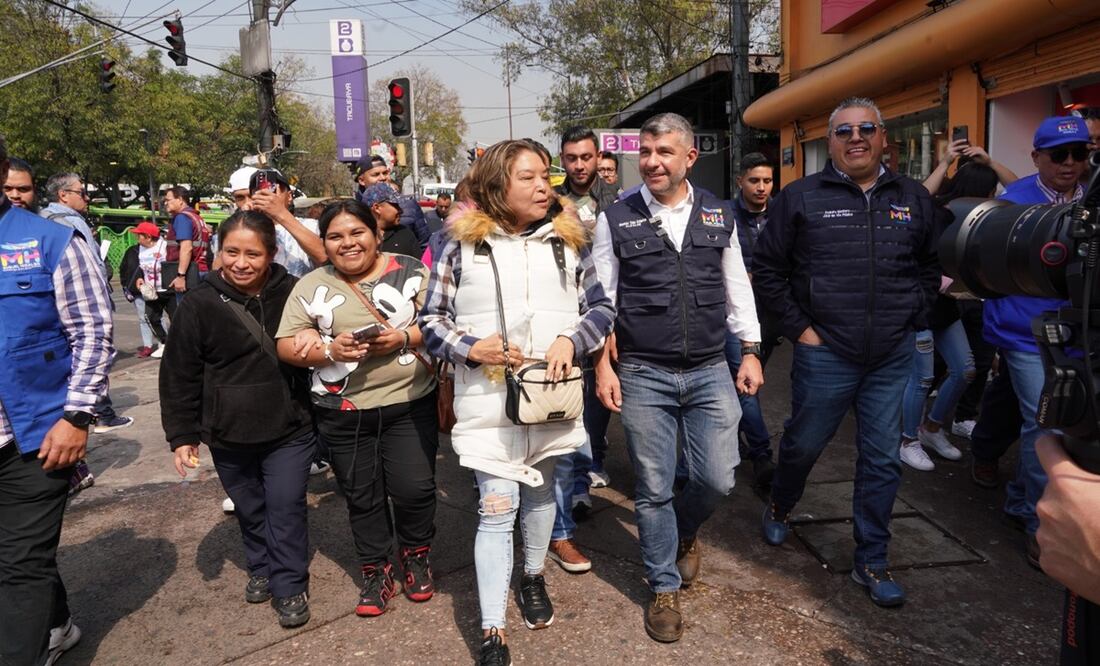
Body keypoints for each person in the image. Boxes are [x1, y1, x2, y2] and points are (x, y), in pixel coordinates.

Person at [420, 139, 615, 666]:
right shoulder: (457, 245)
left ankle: (531, 575)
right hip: (487, 404)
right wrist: (471, 347)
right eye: (527, 176)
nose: (542, 185)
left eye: (544, 175)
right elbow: (430, 321)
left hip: (551, 399)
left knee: (544, 492)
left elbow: (601, 308)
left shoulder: (571, 242)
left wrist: (572, 340)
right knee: (496, 506)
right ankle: (491, 630)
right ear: (495, 185)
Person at [753, 97, 939, 608]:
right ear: (830, 142)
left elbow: (930, 264)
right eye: (843, 131)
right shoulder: (801, 197)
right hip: (825, 352)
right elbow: (768, 271)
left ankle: (872, 560)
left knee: (881, 460)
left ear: (883, 138)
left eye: (865, 129)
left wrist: (915, 316)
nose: (855, 138)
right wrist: (801, 332)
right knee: (804, 445)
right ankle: (781, 504)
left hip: (890, 356)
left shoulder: (914, 198)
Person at [593, 113, 763, 642]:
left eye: (665, 152)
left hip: (712, 367)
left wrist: (751, 351)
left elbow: (738, 287)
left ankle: (684, 531)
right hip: (644, 371)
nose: (652, 161)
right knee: (653, 486)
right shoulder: (616, 217)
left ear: (689, 157)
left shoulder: (718, 214)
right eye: (645, 152)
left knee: (718, 477)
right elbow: (601, 298)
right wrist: (603, 363)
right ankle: (662, 585)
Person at [276, 199, 439, 619]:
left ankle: (416, 554)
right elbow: (286, 345)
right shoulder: (310, 285)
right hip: (342, 410)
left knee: (415, 488)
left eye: (356, 233)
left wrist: (402, 339)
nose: (347, 243)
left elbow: (443, 322)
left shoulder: (412, 270)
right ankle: (376, 569)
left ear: (376, 233)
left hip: (409, 401)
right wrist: (330, 348)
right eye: (335, 236)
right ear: (324, 243)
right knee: (362, 496)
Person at [160, 210, 315, 628]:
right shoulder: (198, 303)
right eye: (231, 252)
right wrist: (182, 435)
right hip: (227, 433)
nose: (241, 263)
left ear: (272, 254)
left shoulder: (295, 293)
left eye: (252, 253)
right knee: (250, 506)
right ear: (218, 250)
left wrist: (314, 339)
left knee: (284, 507)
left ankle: (289, 585)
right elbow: (179, 374)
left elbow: (324, 343)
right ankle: (261, 565)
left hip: (290, 427)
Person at [0, 134, 114, 666]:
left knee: (20, 564)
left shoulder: (50, 242)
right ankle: (58, 623)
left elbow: (93, 331)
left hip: (35, 435)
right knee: (22, 558)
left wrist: (76, 415)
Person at [975, 114, 1092, 568]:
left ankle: (1012, 487)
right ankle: (1035, 522)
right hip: (1025, 335)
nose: (1069, 164)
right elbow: (987, 272)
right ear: (1036, 157)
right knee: (1045, 423)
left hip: (1078, 332)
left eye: (1079, 154)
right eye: (1059, 155)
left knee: (1036, 416)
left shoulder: (1092, 199)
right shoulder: (1013, 204)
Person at [898, 158, 1004, 472]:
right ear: (976, 190)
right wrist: (952, 287)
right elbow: (910, 257)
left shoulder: (982, 219)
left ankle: (931, 429)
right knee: (922, 378)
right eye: (989, 190)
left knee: (965, 369)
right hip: (919, 308)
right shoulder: (935, 214)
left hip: (944, 310)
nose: (993, 196)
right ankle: (907, 441)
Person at [548, 127, 622, 573]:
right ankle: (576, 485)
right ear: (563, 159)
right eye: (571, 157)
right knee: (567, 404)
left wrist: (614, 322)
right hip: (563, 317)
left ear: (598, 158)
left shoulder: (621, 201)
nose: (579, 165)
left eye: (586, 157)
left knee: (598, 400)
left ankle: (592, 465)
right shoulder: (552, 202)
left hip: (606, 313)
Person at [40, 172, 134, 434]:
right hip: (82, 305)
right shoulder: (70, 224)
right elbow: (93, 271)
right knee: (91, 350)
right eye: (81, 192)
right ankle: (100, 414)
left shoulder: (41, 221)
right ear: (63, 196)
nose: (87, 197)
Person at [728, 152, 779, 492]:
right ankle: (763, 455)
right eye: (754, 181)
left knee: (744, 385)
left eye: (767, 181)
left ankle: (734, 442)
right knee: (747, 385)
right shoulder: (724, 214)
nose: (762, 188)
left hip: (772, 316)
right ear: (740, 181)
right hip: (735, 319)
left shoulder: (781, 214)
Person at [119, 221, 175, 358]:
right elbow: (140, 267)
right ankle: (165, 342)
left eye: (139, 235)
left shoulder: (165, 246)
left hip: (168, 290)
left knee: (177, 318)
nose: (137, 238)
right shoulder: (141, 250)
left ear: (148, 237)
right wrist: (139, 278)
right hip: (151, 292)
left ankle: (182, 345)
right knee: (150, 317)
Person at [354, 155, 431, 248]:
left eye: (385, 173)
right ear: (362, 180)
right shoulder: (355, 210)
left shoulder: (409, 205)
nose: (382, 178)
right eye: (376, 174)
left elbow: (425, 245)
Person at [163, 185, 212, 299]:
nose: (165, 203)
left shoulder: (182, 218)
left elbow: (186, 248)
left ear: (180, 200)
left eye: (168, 200)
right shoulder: (196, 217)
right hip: (201, 270)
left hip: (189, 274)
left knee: (186, 314)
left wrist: (181, 276)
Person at [360, 182, 422, 258]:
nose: (401, 210)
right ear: (377, 208)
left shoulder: (405, 234)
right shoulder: (360, 238)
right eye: (395, 205)